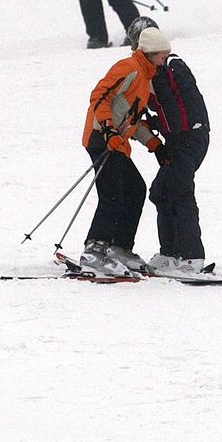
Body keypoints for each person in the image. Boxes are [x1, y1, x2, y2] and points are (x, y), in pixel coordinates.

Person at [78, 32, 164, 277]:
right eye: (162, 55)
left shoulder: (146, 78)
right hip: (101, 139)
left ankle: (119, 247)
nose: (163, 60)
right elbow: (99, 97)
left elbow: (131, 119)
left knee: (135, 189)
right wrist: (108, 131)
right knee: (112, 194)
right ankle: (94, 251)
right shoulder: (129, 68)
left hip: (117, 143)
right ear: (151, 53)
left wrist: (153, 143)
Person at [140, 28, 211, 274]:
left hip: (189, 138)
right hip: (177, 139)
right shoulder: (157, 71)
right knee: (160, 191)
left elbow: (181, 104)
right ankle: (169, 253)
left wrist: (169, 128)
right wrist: (157, 124)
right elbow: (169, 107)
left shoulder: (172, 66)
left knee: (180, 191)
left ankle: (192, 257)